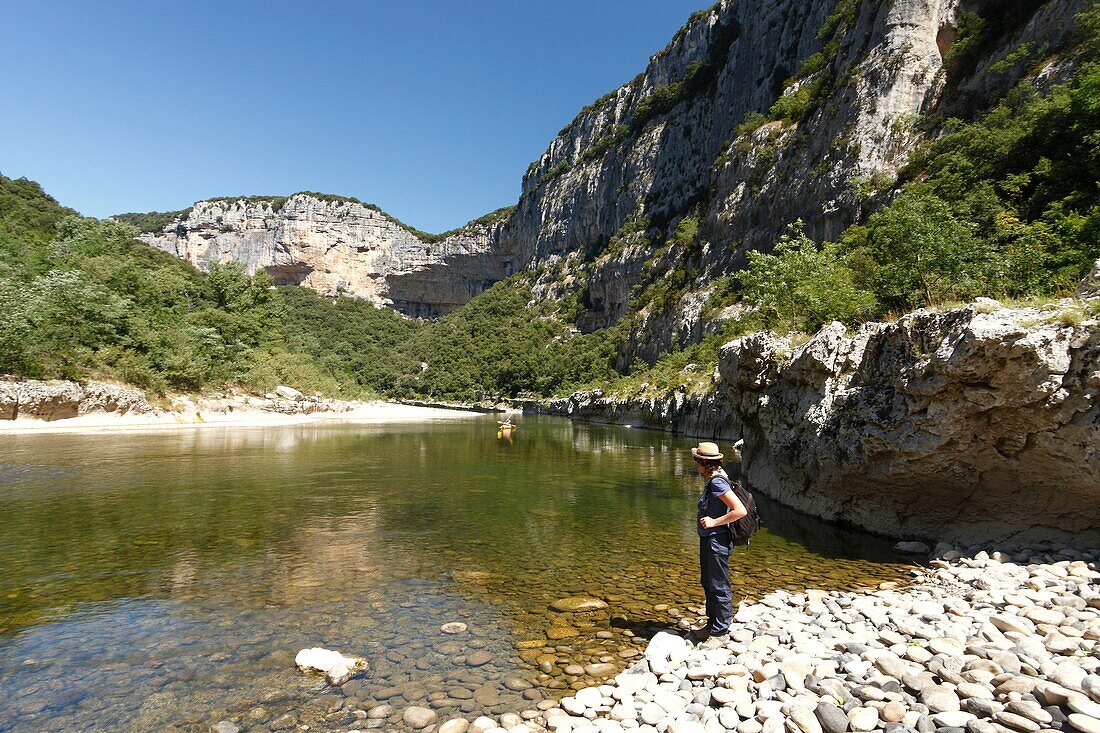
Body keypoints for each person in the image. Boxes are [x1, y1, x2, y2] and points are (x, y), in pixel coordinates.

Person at [690, 441, 747, 643]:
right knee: (708, 581)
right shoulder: (717, 477)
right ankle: (712, 623)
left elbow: (740, 510)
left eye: (697, 460)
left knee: (718, 583)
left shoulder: (717, 482)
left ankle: (720, 630)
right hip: (711, 540)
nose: (695, 464)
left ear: (704, 463)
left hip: (716, 541)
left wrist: (714, 522)